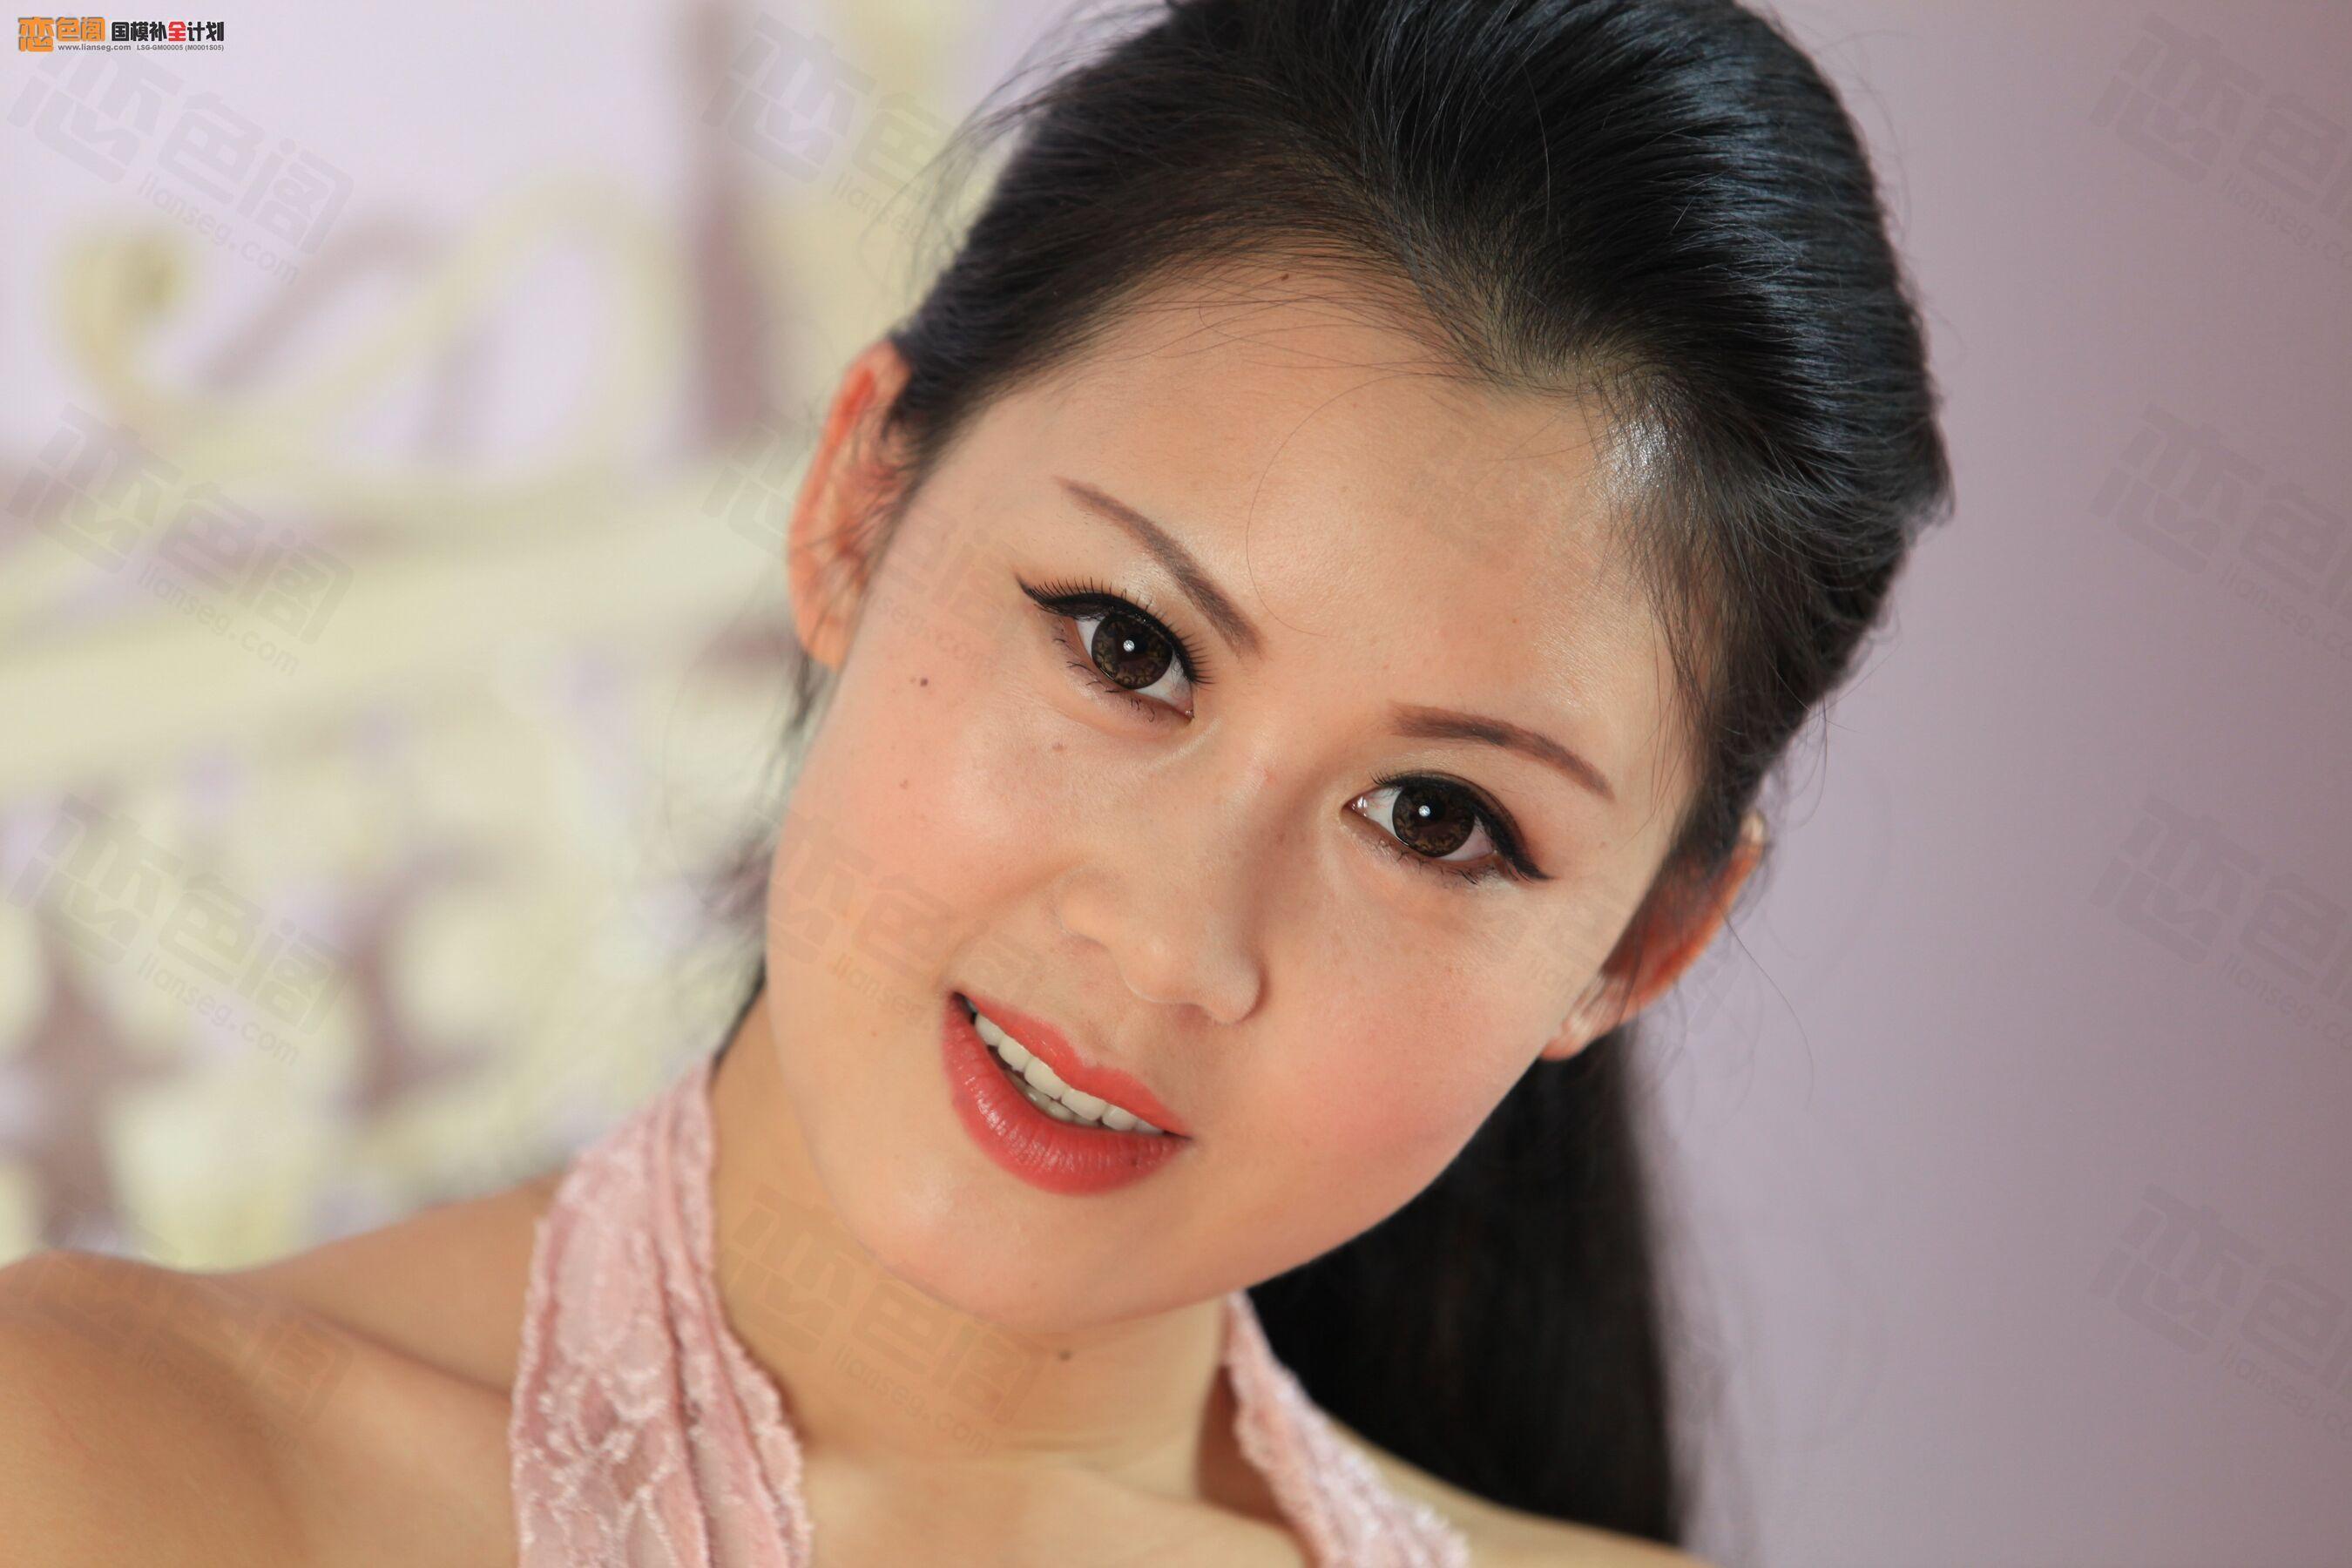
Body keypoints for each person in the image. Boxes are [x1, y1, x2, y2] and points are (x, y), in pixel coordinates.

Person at [0, 0, 1952, 1561]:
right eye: (1129, 647)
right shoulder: (101, 1469)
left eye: (1437, 821)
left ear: (1637, 948)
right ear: (858, 507)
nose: (1174, 943)